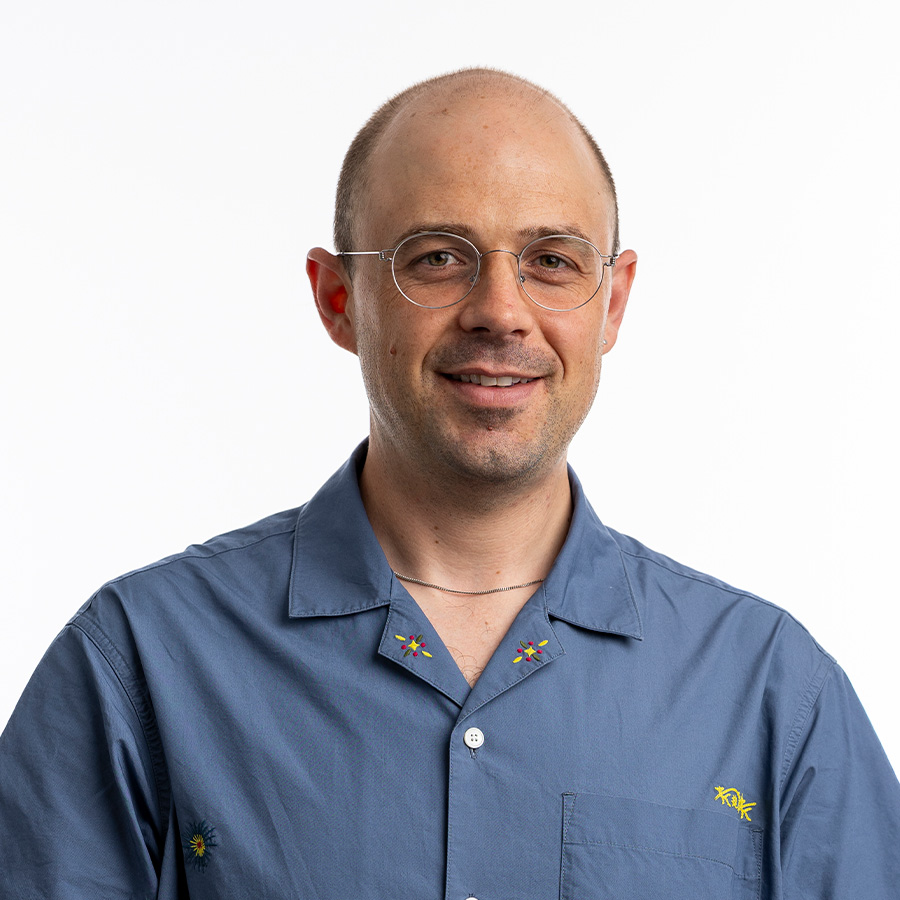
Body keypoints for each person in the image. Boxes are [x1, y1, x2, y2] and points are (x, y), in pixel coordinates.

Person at [1, 67, 897, 899]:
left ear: (613, 302)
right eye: (436, 257)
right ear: (338, 299)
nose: (501, 312)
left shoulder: (773, 691)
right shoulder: (138, 664)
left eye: (552, 260)